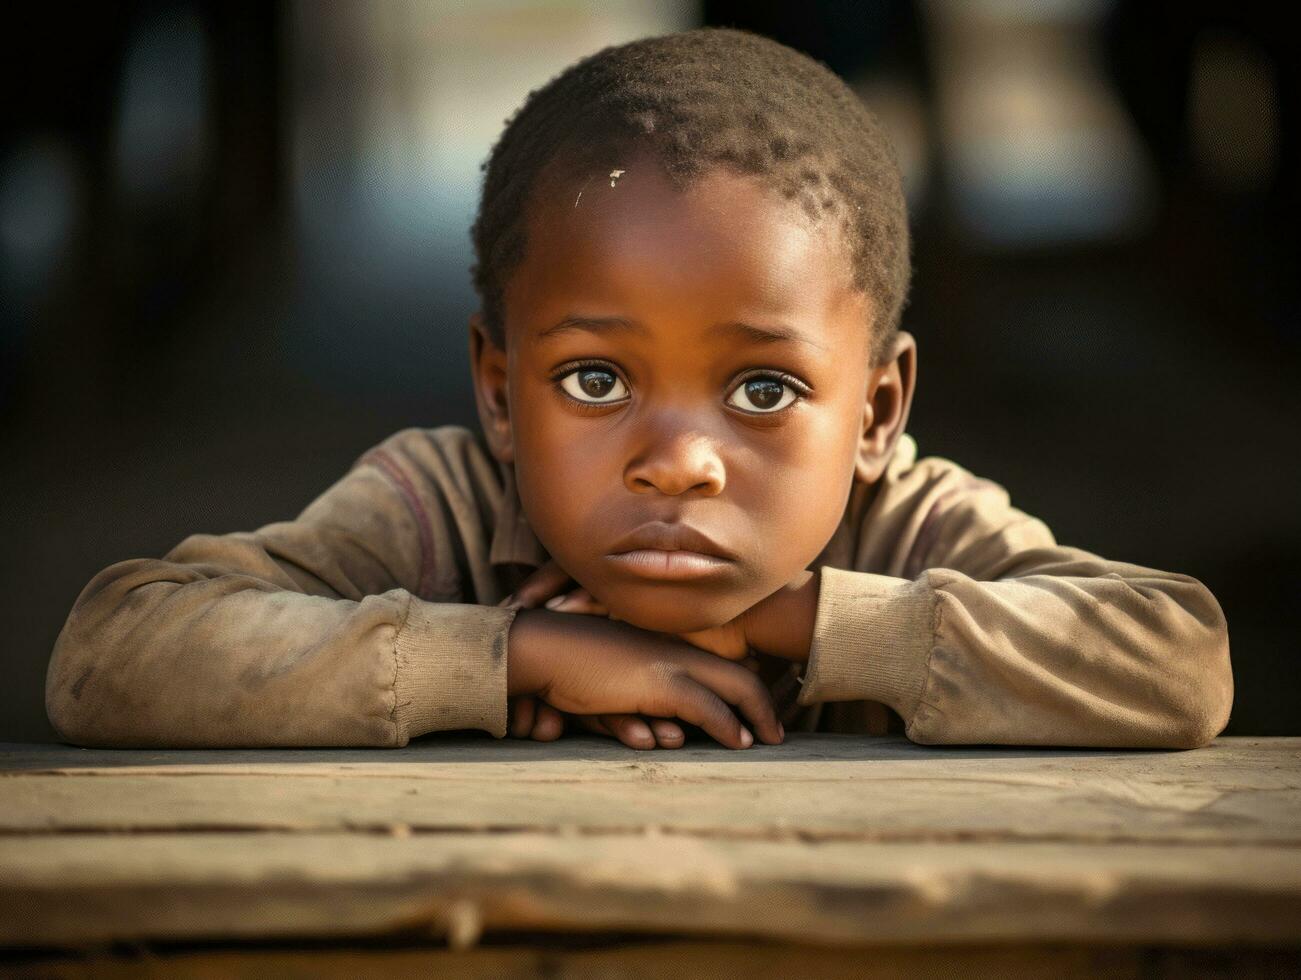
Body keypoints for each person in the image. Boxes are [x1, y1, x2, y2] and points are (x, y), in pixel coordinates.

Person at [44, 27, 1232, 752]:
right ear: (500, 394)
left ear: (873, 414)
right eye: (596, 378)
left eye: (761, 389)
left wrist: (804, 621)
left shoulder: (907, 524)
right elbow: (115, 652)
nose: (678, 460)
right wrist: (514, 654)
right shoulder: (442, 505)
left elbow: (1176, 661)